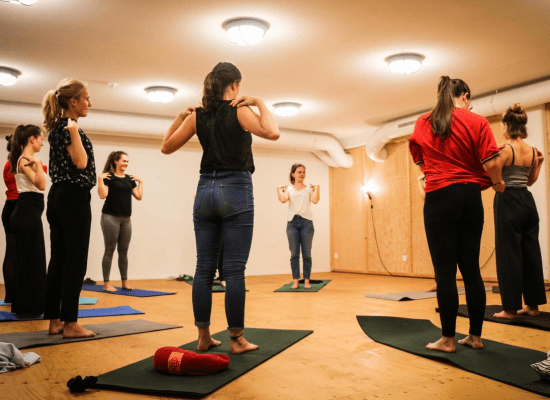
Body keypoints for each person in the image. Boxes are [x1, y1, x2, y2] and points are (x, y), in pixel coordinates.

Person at [161, 62, 279, 353]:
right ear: (235, 86)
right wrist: (260, 102)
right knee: (234, 270)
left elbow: (166, 146)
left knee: (203, 268)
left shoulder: (198, 116)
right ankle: (236, 339)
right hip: (235, 188)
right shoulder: (240, 109)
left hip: (204, 191)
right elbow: (273, 132)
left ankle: (203, 337)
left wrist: (178, 117)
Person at [409, 76, 502, 353]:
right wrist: (497, 184)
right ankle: (475, 337)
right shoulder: (478, 121)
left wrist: (438, 171)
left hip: (440, 198)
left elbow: (420, 160)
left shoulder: (423, 122)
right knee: (471, 269)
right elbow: (493, 161)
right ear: (465, 96)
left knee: (445, 273)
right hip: (470, 197)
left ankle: (447, 340)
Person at [42, 78, 97, 338]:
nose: (89, 103)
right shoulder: (68, 127)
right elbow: (81, 162)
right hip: (73, 197)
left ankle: (54, 321)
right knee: (75, 260)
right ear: (73, 101)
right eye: (86, 98)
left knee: (60, 259)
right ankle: (71, 324)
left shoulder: (57, 127)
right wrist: (75, 132)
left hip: (58, 197)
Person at [490, 104, 547, 319]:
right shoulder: (533, 151)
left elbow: (494, 176)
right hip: (526, 200)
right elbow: (530, 181)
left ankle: (510, 308)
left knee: (509, 254)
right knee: (531, 253)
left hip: (508, 200)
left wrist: (496, 182)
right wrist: (539, 164)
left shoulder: (505, 149)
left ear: (506, 125)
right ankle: (533, 307)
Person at [8, 125, 47, 316]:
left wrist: (38, 164)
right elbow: (41, 185)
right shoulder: (25, 160)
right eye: (40, 138)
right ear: (32, 139)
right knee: (31, 262)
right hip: (26, 213)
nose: (42, 142)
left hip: (29, 213)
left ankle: (29, 306)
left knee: (32, 260)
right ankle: (28, 308)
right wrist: (38, 165)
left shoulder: (26, 160)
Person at [97, 151, 143, 292]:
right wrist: (99, 179)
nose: (126, 164)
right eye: (124, 161)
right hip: (110, 218)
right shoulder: (109, 177)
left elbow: (139, 196)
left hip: (125, 219)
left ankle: (124, 282)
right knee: (109, 250)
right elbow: (102, 195)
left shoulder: (129, 179)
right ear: (115, 161)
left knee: (123, 251)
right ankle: (106, 284)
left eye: (127, 162)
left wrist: (141, 182)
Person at [277, 164, 320, 289]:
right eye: (299, 172)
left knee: (307, 254)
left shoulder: (309, 189)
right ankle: (296, 280)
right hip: (292, 223)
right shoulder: (289, 189)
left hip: (306, 223)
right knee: (294, 254)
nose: (302, 174)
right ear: (293, 174)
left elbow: (315, 200)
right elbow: (283, 200)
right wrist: (278, 189)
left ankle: (306, 281)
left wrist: (317, 188)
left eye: (303, 172)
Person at [2, 135, 18, 304]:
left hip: (10, 207)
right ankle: (11, 295)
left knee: (12, 252)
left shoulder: (10, 163)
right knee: (14, 253)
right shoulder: (16, 164)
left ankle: (10, 295)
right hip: (16, 208)